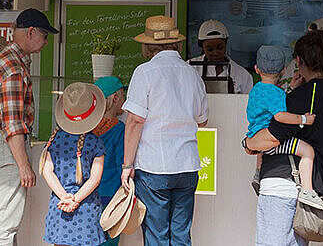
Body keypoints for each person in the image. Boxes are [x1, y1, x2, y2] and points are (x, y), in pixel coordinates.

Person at [244, 30, 323, 246]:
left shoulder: (302, 96)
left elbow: (271, 138)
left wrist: (248, 143)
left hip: (283, 185)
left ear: (298, 60)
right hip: (310, 190)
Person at [121, 15, 208, 246]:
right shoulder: (192, 73)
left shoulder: (144, 72)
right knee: (181, 235)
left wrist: (127, 166)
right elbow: (203, 121)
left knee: (156, 236)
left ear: (148, 45)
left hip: (154, 165)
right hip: (187, 165)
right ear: (176, 43)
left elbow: (134, 121)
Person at [0, 8, 58, 246]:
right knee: (5, 223)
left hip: (0, 144)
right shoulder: (13, 67)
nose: (46, 43)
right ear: (32, 32)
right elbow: (12, 123)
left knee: (6, 219)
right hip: (8, 148)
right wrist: (23, 164)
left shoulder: (2, 58)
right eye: (45, 36)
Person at [245, 45, 317, 201]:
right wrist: (303, 119)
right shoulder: (276, 93)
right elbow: (280, 116)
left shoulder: (256, 89)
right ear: (284, 70)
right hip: (273, 143)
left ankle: (258, 173)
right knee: (308, 151)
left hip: (256, 136)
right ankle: (307, 191)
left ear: (257, 69)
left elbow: (272, 104)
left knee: (261, 151)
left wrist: (291, 88)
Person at [40, 82, 107, 246]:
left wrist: (64, 198)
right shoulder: (95, 143)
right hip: (87, 209)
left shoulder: (53, 141)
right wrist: (75, 199)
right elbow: (94, 179)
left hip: (60, 207)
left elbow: (47, 172)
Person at [92, 76, 127, 246]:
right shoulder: (119, 129)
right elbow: (123, 163)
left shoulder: (85, 128)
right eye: (123, 95)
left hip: (86, 195)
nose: (125, 100)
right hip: (111, 196)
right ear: (115, 98)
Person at [188, 20, 253, 93]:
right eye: (210, 49)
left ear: (226, 44)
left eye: (220, 48)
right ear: (202, 47)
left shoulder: (242, 75)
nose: (215, 53)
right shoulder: (190, 68)